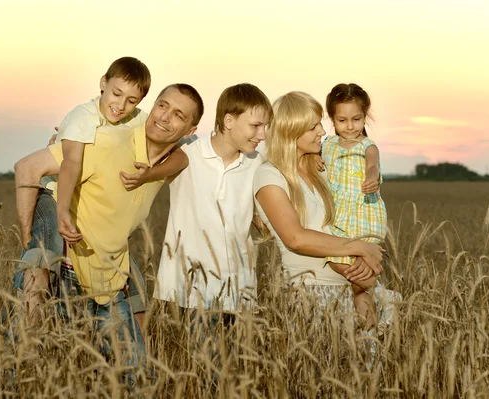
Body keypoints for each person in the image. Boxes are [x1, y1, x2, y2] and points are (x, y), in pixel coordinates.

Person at [12, 84, 204, 376]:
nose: (164, 117)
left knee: (137, 381)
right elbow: (27, 167)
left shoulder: (173, 162)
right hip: (64, 272)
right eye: (162, 105)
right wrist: (30, 242)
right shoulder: (105, 141)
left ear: (191, 129)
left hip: (110, 285)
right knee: (25, 371)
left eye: (178, 115)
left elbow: (196, 156)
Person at [16, 57, 187, 328]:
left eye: (131, 100)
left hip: (98, 220)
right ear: (103, 84)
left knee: (130, 283)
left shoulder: (137, 119)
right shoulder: (83, 118)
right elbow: (71, 163)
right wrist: (47, 220)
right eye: (117, 94)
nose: (121, 106)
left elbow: (181, 153)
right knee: (41, 257)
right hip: (52, 195)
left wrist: (151, 173)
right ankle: (25, 332)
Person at [253, 91, 384, 315]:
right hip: (312, 296)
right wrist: (360, 247)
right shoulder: (269, 176)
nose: (322, 132)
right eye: (313, 127)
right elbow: (295, 238)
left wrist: (362, 260)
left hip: (353, 289)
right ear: (291, 130)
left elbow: (354, 214)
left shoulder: (321, 169)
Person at [155, 83, 272, 327]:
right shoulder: (187, 151)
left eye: (264, 127)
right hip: (188, 289)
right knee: (196, 361)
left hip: (238, 291)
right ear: (229, 121)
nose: (262, 135)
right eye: (255, 126)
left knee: (232, 363)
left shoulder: (257, 163)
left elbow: (260, 216)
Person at [321, 83, 387, 333]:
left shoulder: (367, 146)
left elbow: (372, 165)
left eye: (356, 119)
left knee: (362, 283)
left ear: (365, 117)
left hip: (363, 214)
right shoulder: (327, 145)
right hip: (338, 215)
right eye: (342, 120)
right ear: (332, 120)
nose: (350, 126)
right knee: (342, 264)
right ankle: (371, 294)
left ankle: (370, 338)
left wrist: (372, 177)